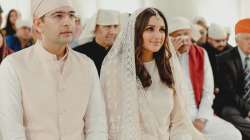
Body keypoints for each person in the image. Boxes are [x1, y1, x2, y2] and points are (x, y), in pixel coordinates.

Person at [0, 0, 108, 140]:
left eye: (71, 15)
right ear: (38, 24)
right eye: (58, 15)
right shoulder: (13, 66)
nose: (67, 22)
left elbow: (97, 123)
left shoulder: (86, 65)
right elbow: (11, 130)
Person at [101, 7, 207, 140]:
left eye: (162, 30)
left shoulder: (169, 67)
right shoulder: (115, 67)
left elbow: (179, 122)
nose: (158, 36)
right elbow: (112, 125)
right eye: (150, 29)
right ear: (137, 31)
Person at [169, 17, 242, 140]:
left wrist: (201, 119)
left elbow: (208, 92)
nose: (184, 39)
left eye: (186, 34)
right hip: (175, 117)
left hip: (199, 113)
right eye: (178, 35)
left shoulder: (201, 53)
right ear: (169, 38)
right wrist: (172, 54)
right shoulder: (164, 57)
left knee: (234, 135)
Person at [214, 18, 250, 140]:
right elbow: (229, 92)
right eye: (247, 38)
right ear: (236, 40)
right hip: (233, 104)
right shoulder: (224, 60)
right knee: (229, 113)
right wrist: (248, 111)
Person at [74, 9, 120, 75]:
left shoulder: (120, 52)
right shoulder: (79, 53)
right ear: (95, 29)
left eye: (115, 26)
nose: (113, 32)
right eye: (107, 26)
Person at [202, 23, 232, 94]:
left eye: (224, 40)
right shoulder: (202, 51)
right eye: (218, 41)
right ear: (209, 39)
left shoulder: (231, 50)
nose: (222, 44)